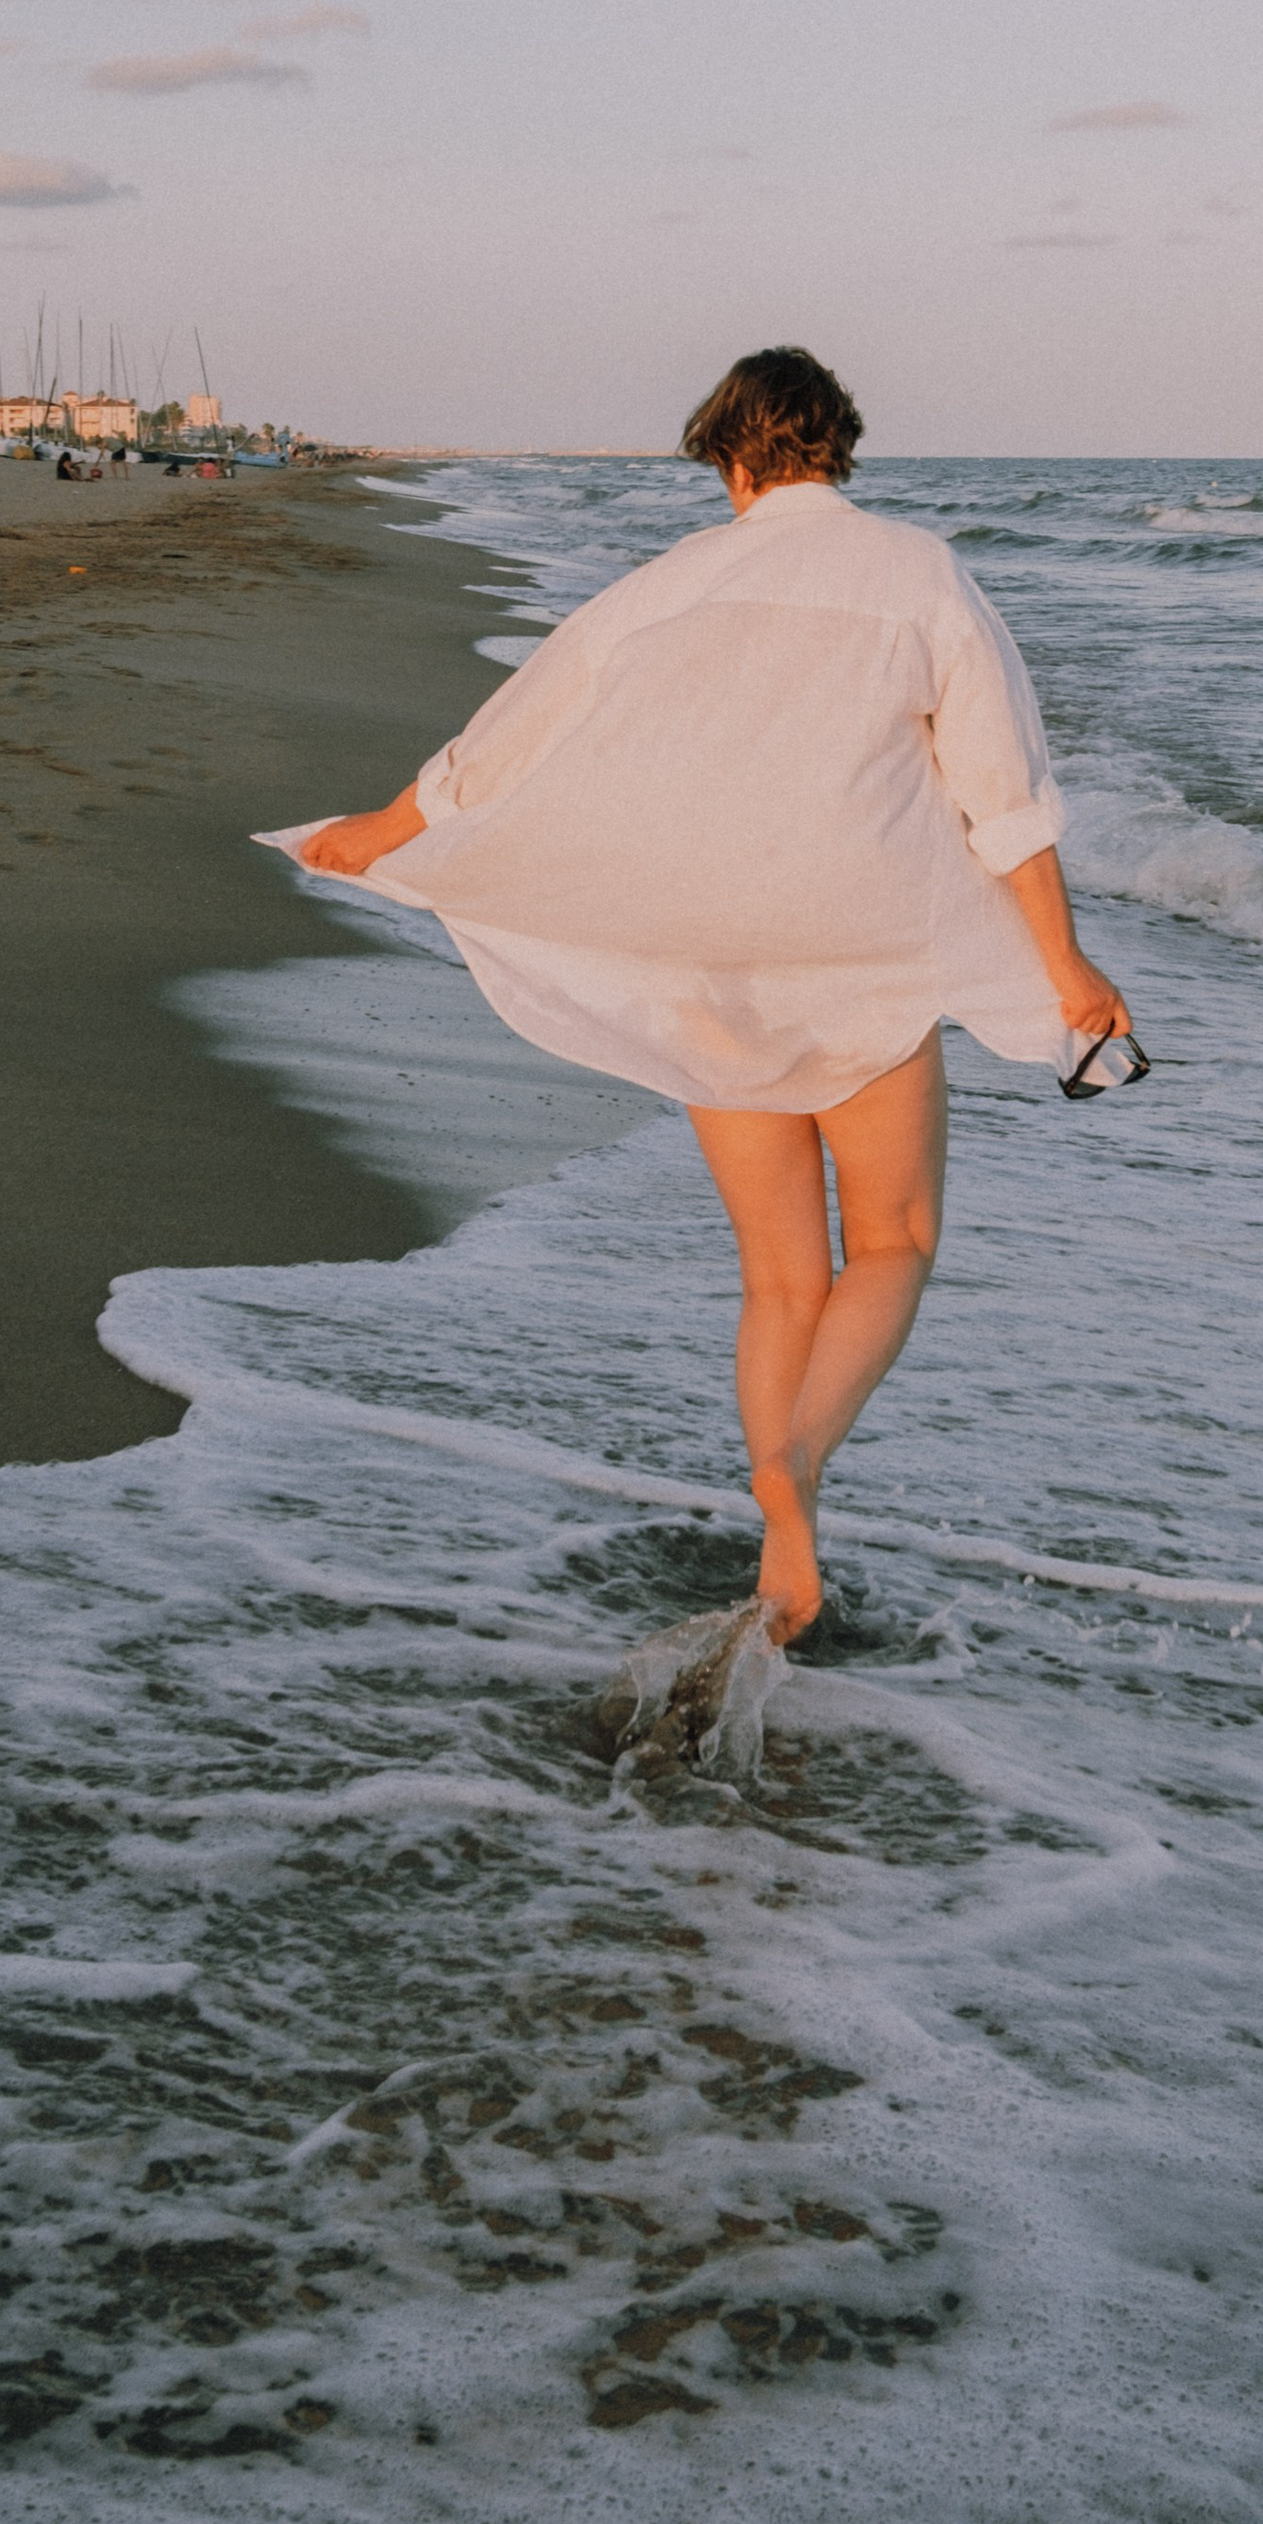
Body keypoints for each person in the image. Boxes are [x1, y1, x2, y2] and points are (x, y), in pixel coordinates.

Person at [297, 345, 1129, 1643]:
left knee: (780, 1279)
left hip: (702, 959)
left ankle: (779, 1544)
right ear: (836, 446)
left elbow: (517, 728)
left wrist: (385, 828)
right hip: (855, 957)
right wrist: (1065, 967)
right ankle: (796, 1471)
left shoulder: (672, 582)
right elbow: (1003, 797)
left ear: (733, 461)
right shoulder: (919, 573)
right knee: (894, 1245)